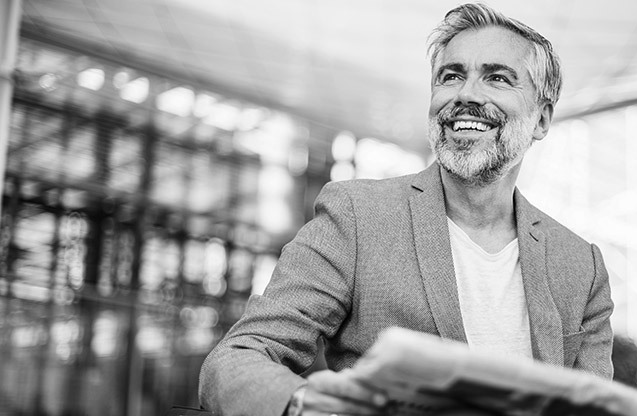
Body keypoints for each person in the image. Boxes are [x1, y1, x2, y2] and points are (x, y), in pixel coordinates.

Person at [199, 3, 613, 416]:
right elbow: (239, 356)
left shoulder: (581, 266)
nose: (466, 94)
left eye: (497, 78)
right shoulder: (358, 216)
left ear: (541, 119)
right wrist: (305, 406)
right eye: (451, 76)